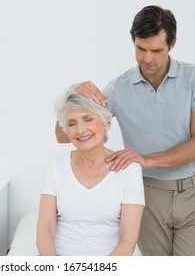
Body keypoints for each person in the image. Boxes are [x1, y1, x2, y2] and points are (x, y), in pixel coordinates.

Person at [56, 5, 195, 256]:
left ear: (172, 45)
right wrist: (72, 91)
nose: (147, 58)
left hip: (194, 194)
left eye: (156, 50)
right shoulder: (118, 88)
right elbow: (64, 134)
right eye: (141, 49)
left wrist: (145, 159)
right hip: (147, 196)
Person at [38, 89, 144, 256]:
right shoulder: (56, 165)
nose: (80, 130)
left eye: (88, 119)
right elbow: (45, 229)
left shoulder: (129, 170)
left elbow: (127, 240)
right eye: (72, 123)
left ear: (107, 123)